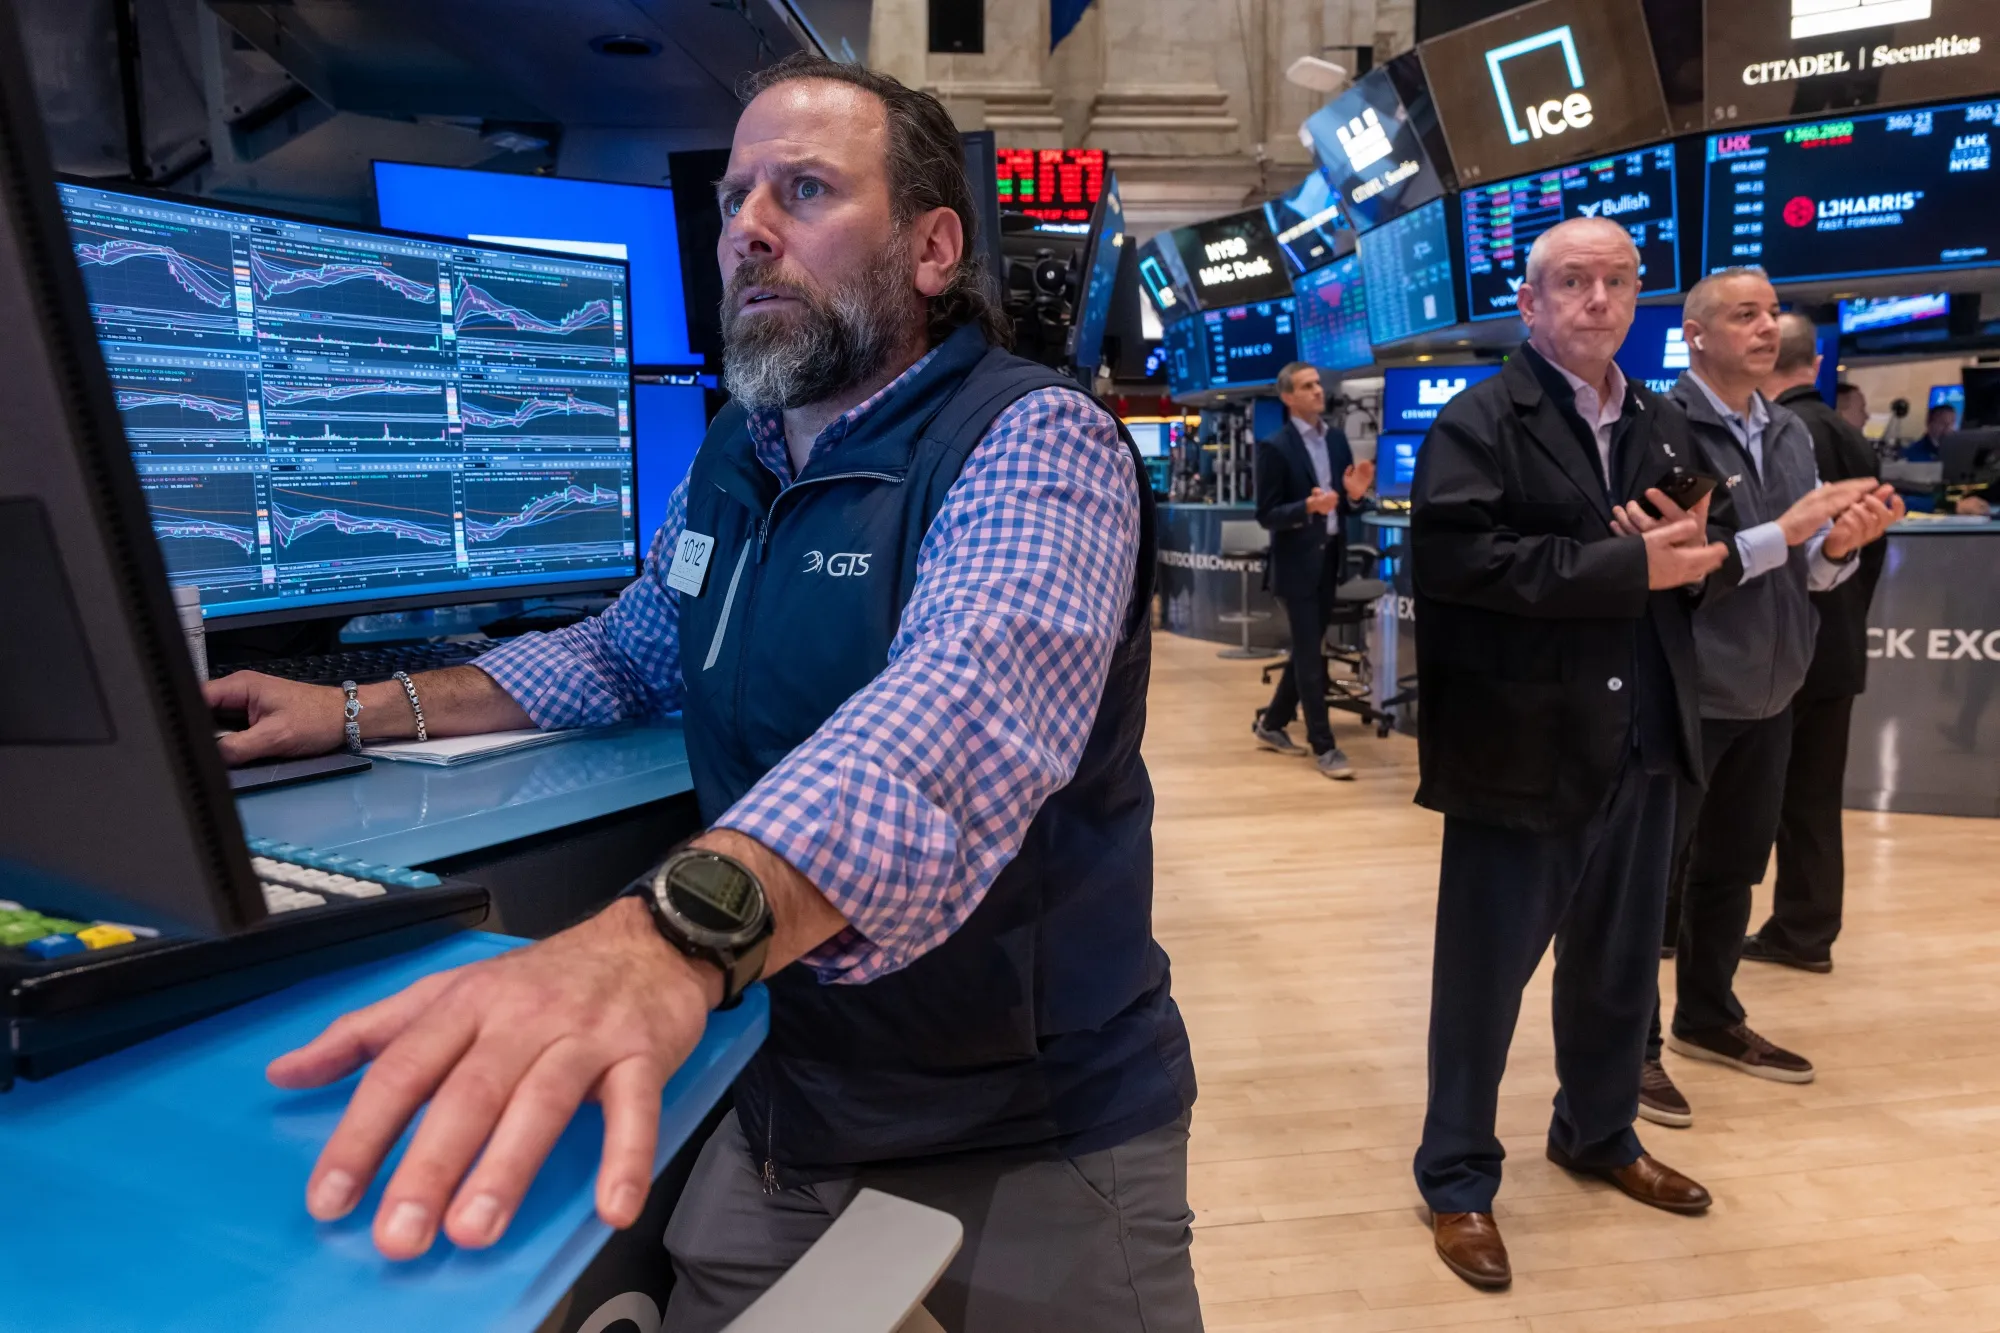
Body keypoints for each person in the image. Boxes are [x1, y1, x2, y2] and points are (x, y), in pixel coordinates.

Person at [203, 55, 1202, 1332]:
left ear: (934, 247)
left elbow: (959, 713)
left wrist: (664, 940)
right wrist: (350, 709)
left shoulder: (1031, 440)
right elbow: (627, 651)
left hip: (1026, 1124)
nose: (747, 231)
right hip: (791, 1087)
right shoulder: (741, 452)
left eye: (803, 190)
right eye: (734, 200)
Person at [1408, 217, 1730, 1292]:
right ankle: (1455, 1176)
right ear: (1528, 299)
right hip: (1524, 746)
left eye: (1615, 281)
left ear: (1637, 297)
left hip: (1640, 735)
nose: (1596, 299)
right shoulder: (1477, 419)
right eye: (1571, 282)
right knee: (1483, 977)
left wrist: (1702, 561)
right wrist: (1620, 566)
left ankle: (1596, 1133)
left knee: (1617, 965)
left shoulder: (1661, 421)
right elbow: (1456, 562)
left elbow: (1693, 559)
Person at [1637, 270, 1897, 1126]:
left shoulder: (1786, 430)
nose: (1766, 325)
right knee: (1649, 880)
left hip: (1773, 687)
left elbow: (1808, 570)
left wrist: (1838, 547)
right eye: (1744, 314)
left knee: (1734, 868)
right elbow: (1675, 573)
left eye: (1772, 311)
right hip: (1687, 687)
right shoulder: (1661, 427)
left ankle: (1708, 1016)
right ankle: (1629, 1047)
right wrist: (1784, 534)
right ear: (1697, 334)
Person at [1745, 317, 1889, 974]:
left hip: (1786, 648)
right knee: (1813, 801)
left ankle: (1691, 926)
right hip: (1839, 641)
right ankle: (1805, 930)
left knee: (1749, 795)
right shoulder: (1851, 435)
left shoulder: (1785, 435)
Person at [1250, 361, 1374, 779]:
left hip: (1329, 563)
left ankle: (1271, 724)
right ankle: (1325, 746)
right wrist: (1306, 507)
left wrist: (1355, 496)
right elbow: (1266, 514)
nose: (1319, 391)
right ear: (1288, 397)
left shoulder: (1337, 440)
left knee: (1307, 648)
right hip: (1295, 567)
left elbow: (1347, 502)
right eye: (1308, 386)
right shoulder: (1275, 447)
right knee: (1311, 656)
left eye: (1319, 384)